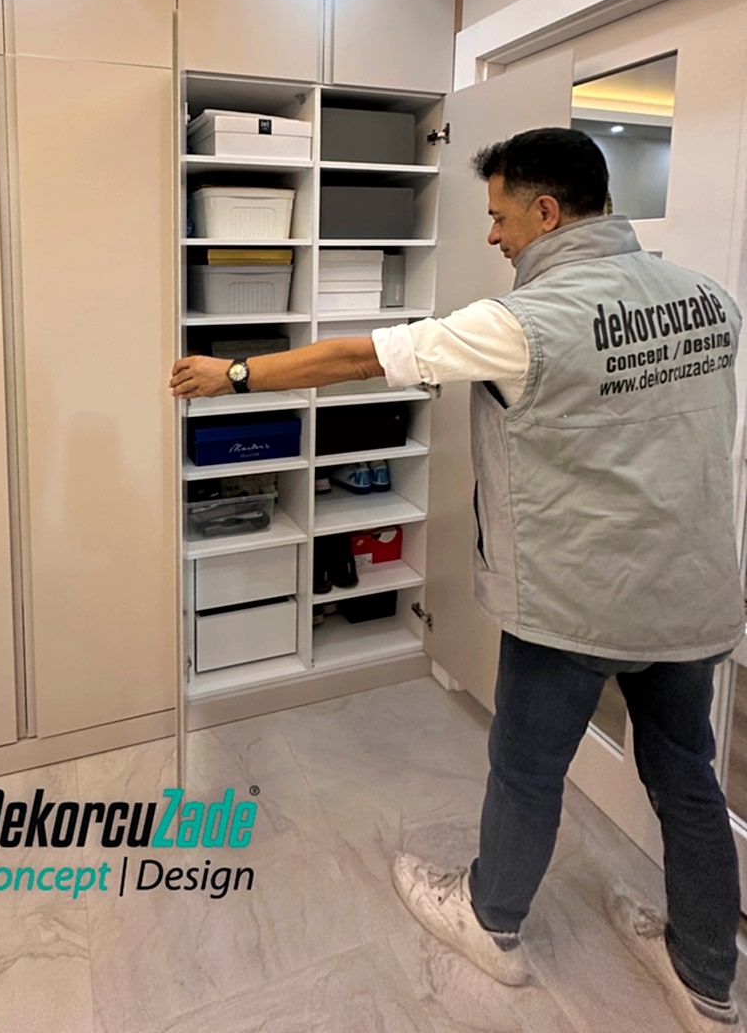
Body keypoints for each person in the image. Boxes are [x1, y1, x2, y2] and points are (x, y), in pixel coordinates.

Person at [170, 128, 744, 1031]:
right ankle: (708, 975)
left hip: (576, 601)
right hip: (690, 592)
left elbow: (362, 357)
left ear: (546, 212)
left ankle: (491, 921)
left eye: (500, 214)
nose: (492, 234)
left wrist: (233, 372)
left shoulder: (525, 322)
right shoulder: (711, 300)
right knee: (688, 777)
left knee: (525, 769)